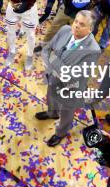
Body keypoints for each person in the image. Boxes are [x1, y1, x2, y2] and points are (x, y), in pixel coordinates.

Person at [37, 11, 100, 146]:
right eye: (76, 21)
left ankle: (60, 132)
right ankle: (52, 113)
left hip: (72, 87)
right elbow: (47, 49)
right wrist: (52, 63)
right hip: (53, 77)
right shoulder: (65, 29)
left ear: (90, 29)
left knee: (66, 111)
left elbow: (72, 76)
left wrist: (52, 60)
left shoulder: (93, 50)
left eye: (81, 24)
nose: (76, 26)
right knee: (51, 96)